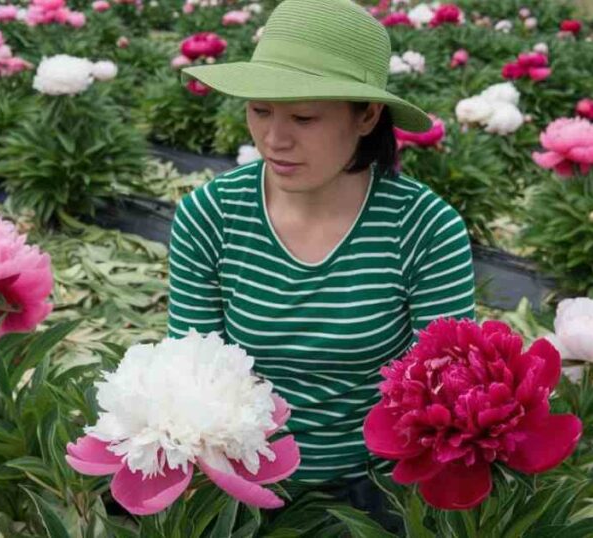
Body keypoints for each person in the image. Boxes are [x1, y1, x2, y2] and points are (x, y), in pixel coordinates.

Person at [168, 0, 476, 531]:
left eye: (304, 117)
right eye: (260, 111)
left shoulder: (426, 228)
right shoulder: (210, 215)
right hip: (236, 483)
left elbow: (446, 392)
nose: (274, 139)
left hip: (378, 492)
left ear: (367, 114)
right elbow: (193, 372)